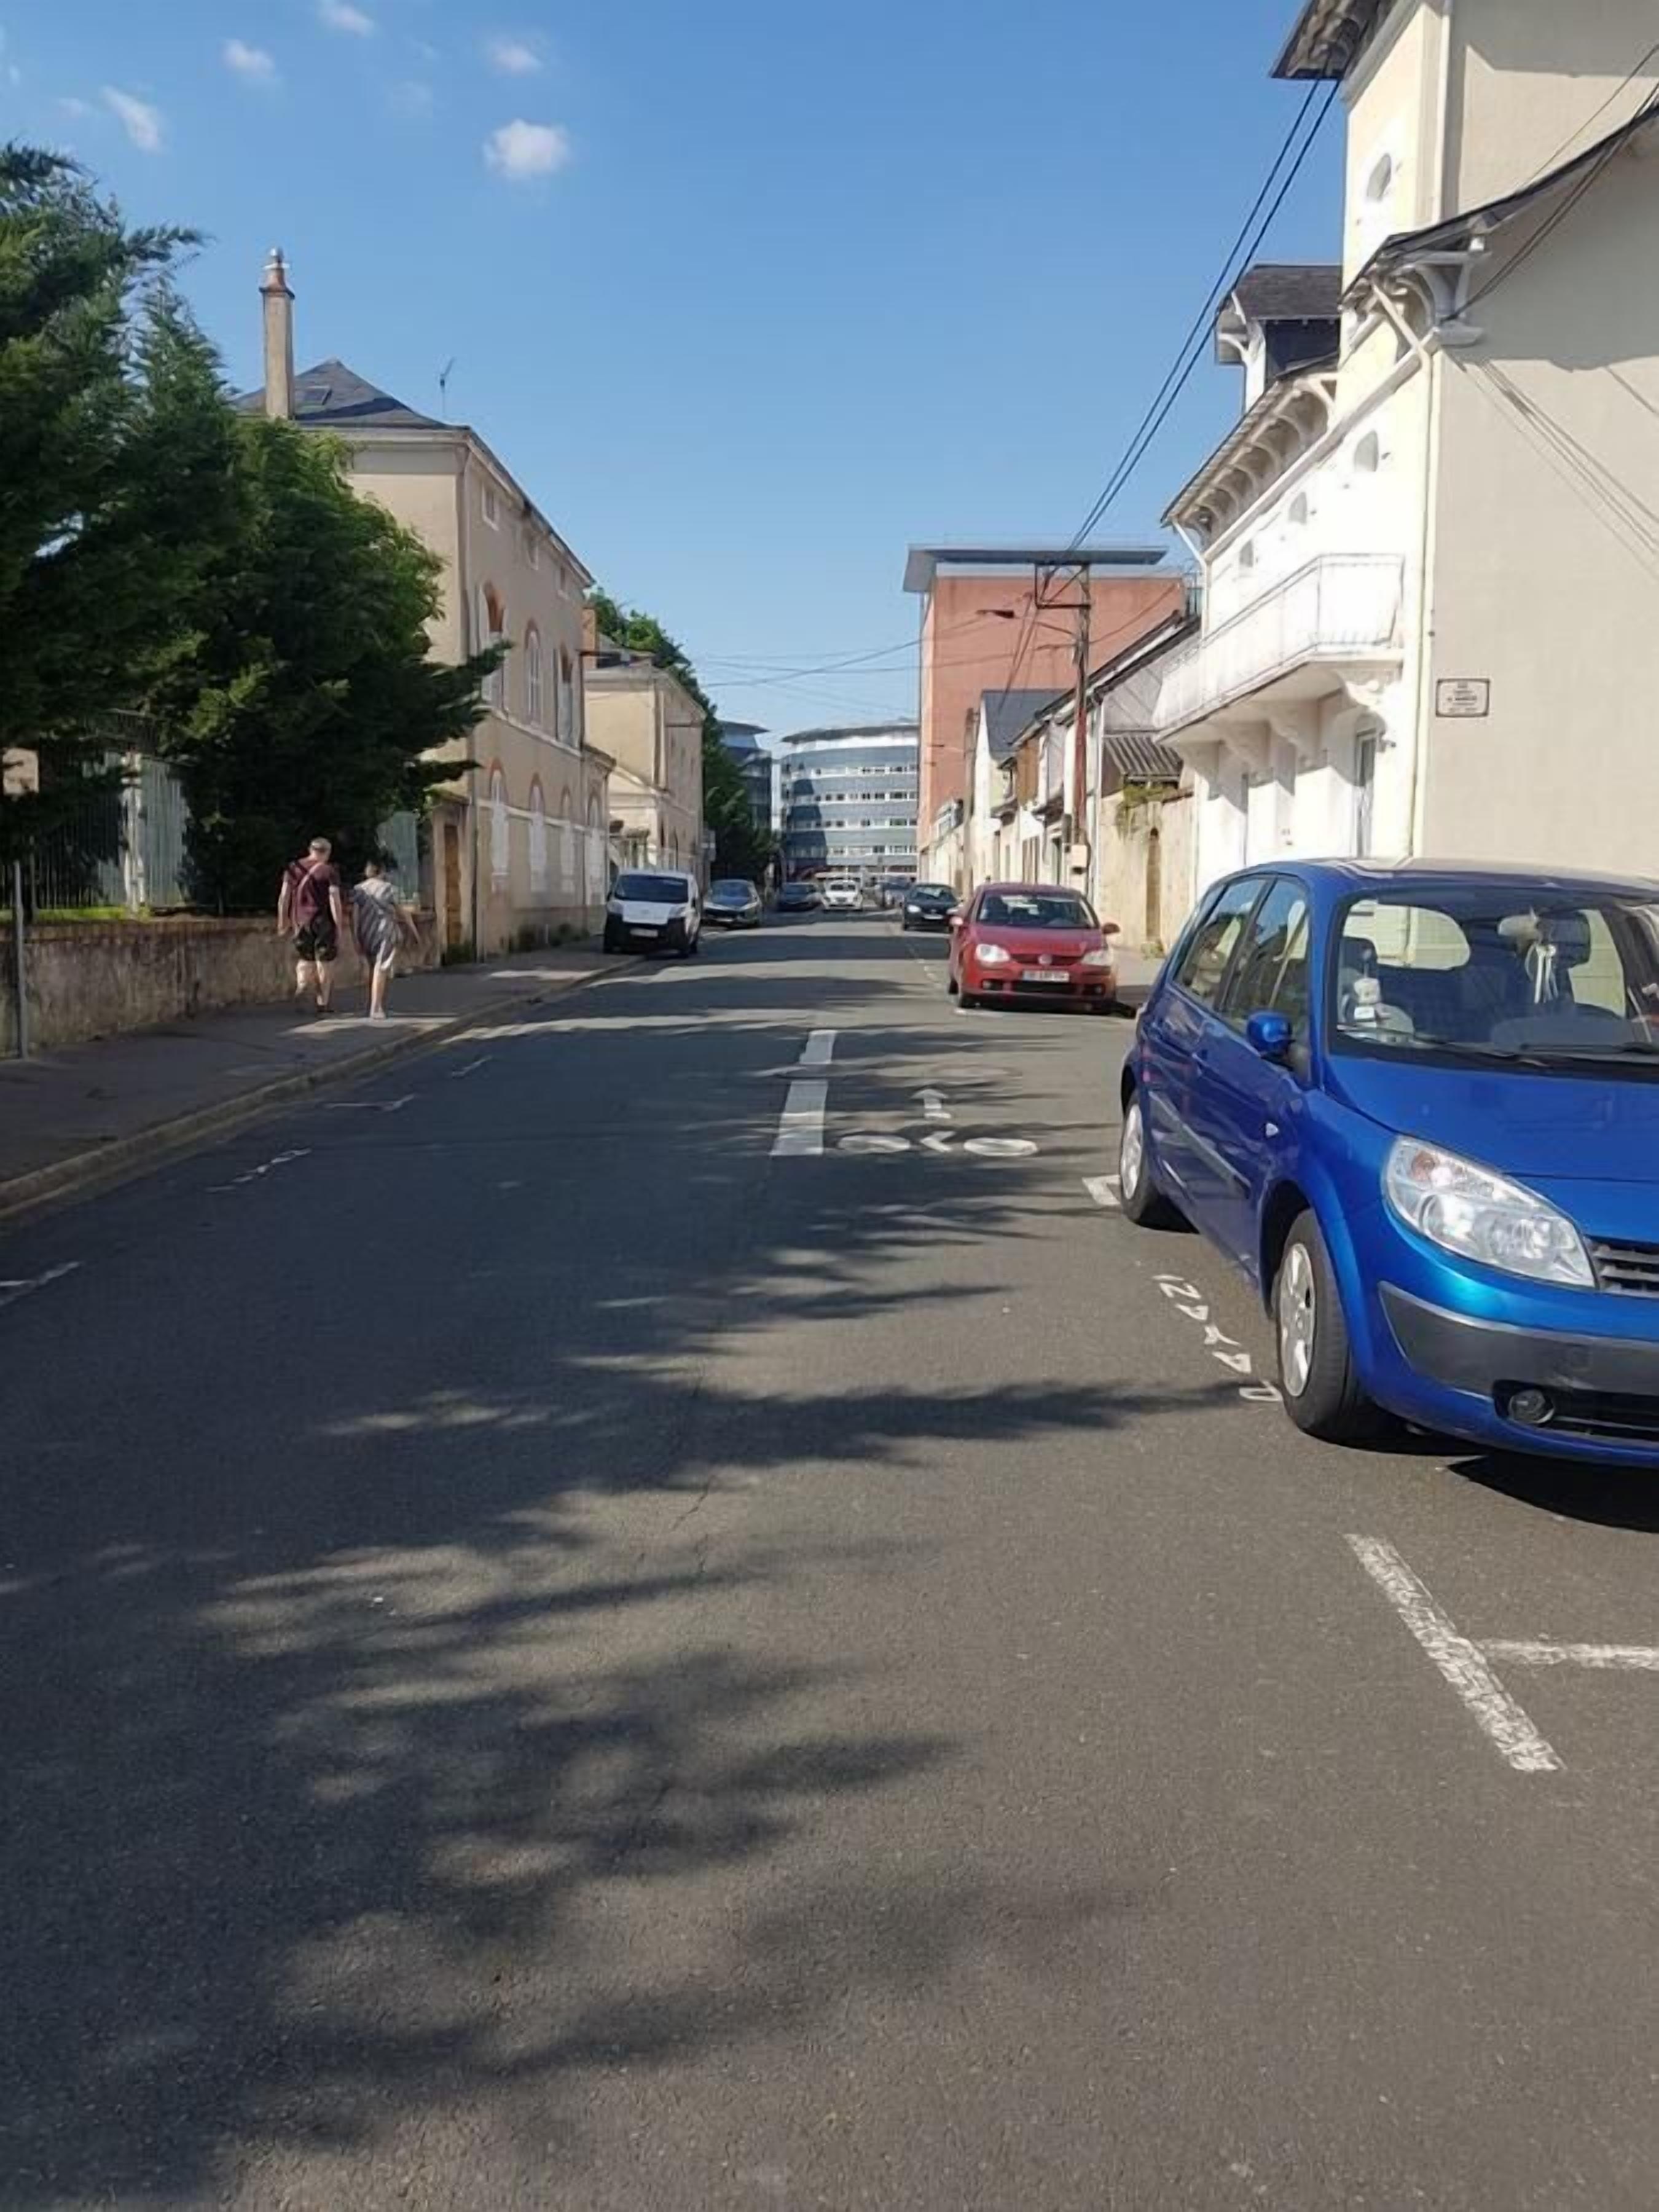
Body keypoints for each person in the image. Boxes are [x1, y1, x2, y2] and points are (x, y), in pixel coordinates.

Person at [277, 837, 347, 1014]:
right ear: (327, 852)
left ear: (310, 849)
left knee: (305, 959)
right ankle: (323, 1002)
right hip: (323, 922)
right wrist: (339, 926)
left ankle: (302, 985)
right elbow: (334, 900)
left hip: (300, 922)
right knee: (324, 962)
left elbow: (284, 896)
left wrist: (282, 920)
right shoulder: (329, 871)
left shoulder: (293, 868)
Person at [350, 858, 420, 1021]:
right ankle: (376, 1007)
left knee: (372, 967)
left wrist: (356, 937)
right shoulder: (390, 889)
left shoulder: (358, 890)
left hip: (365, 932)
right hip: (385, 932)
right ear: (382, 872)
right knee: (381, 968)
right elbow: (404, 913)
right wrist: (414, 932)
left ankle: (372, 1003)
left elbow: (354, 915)